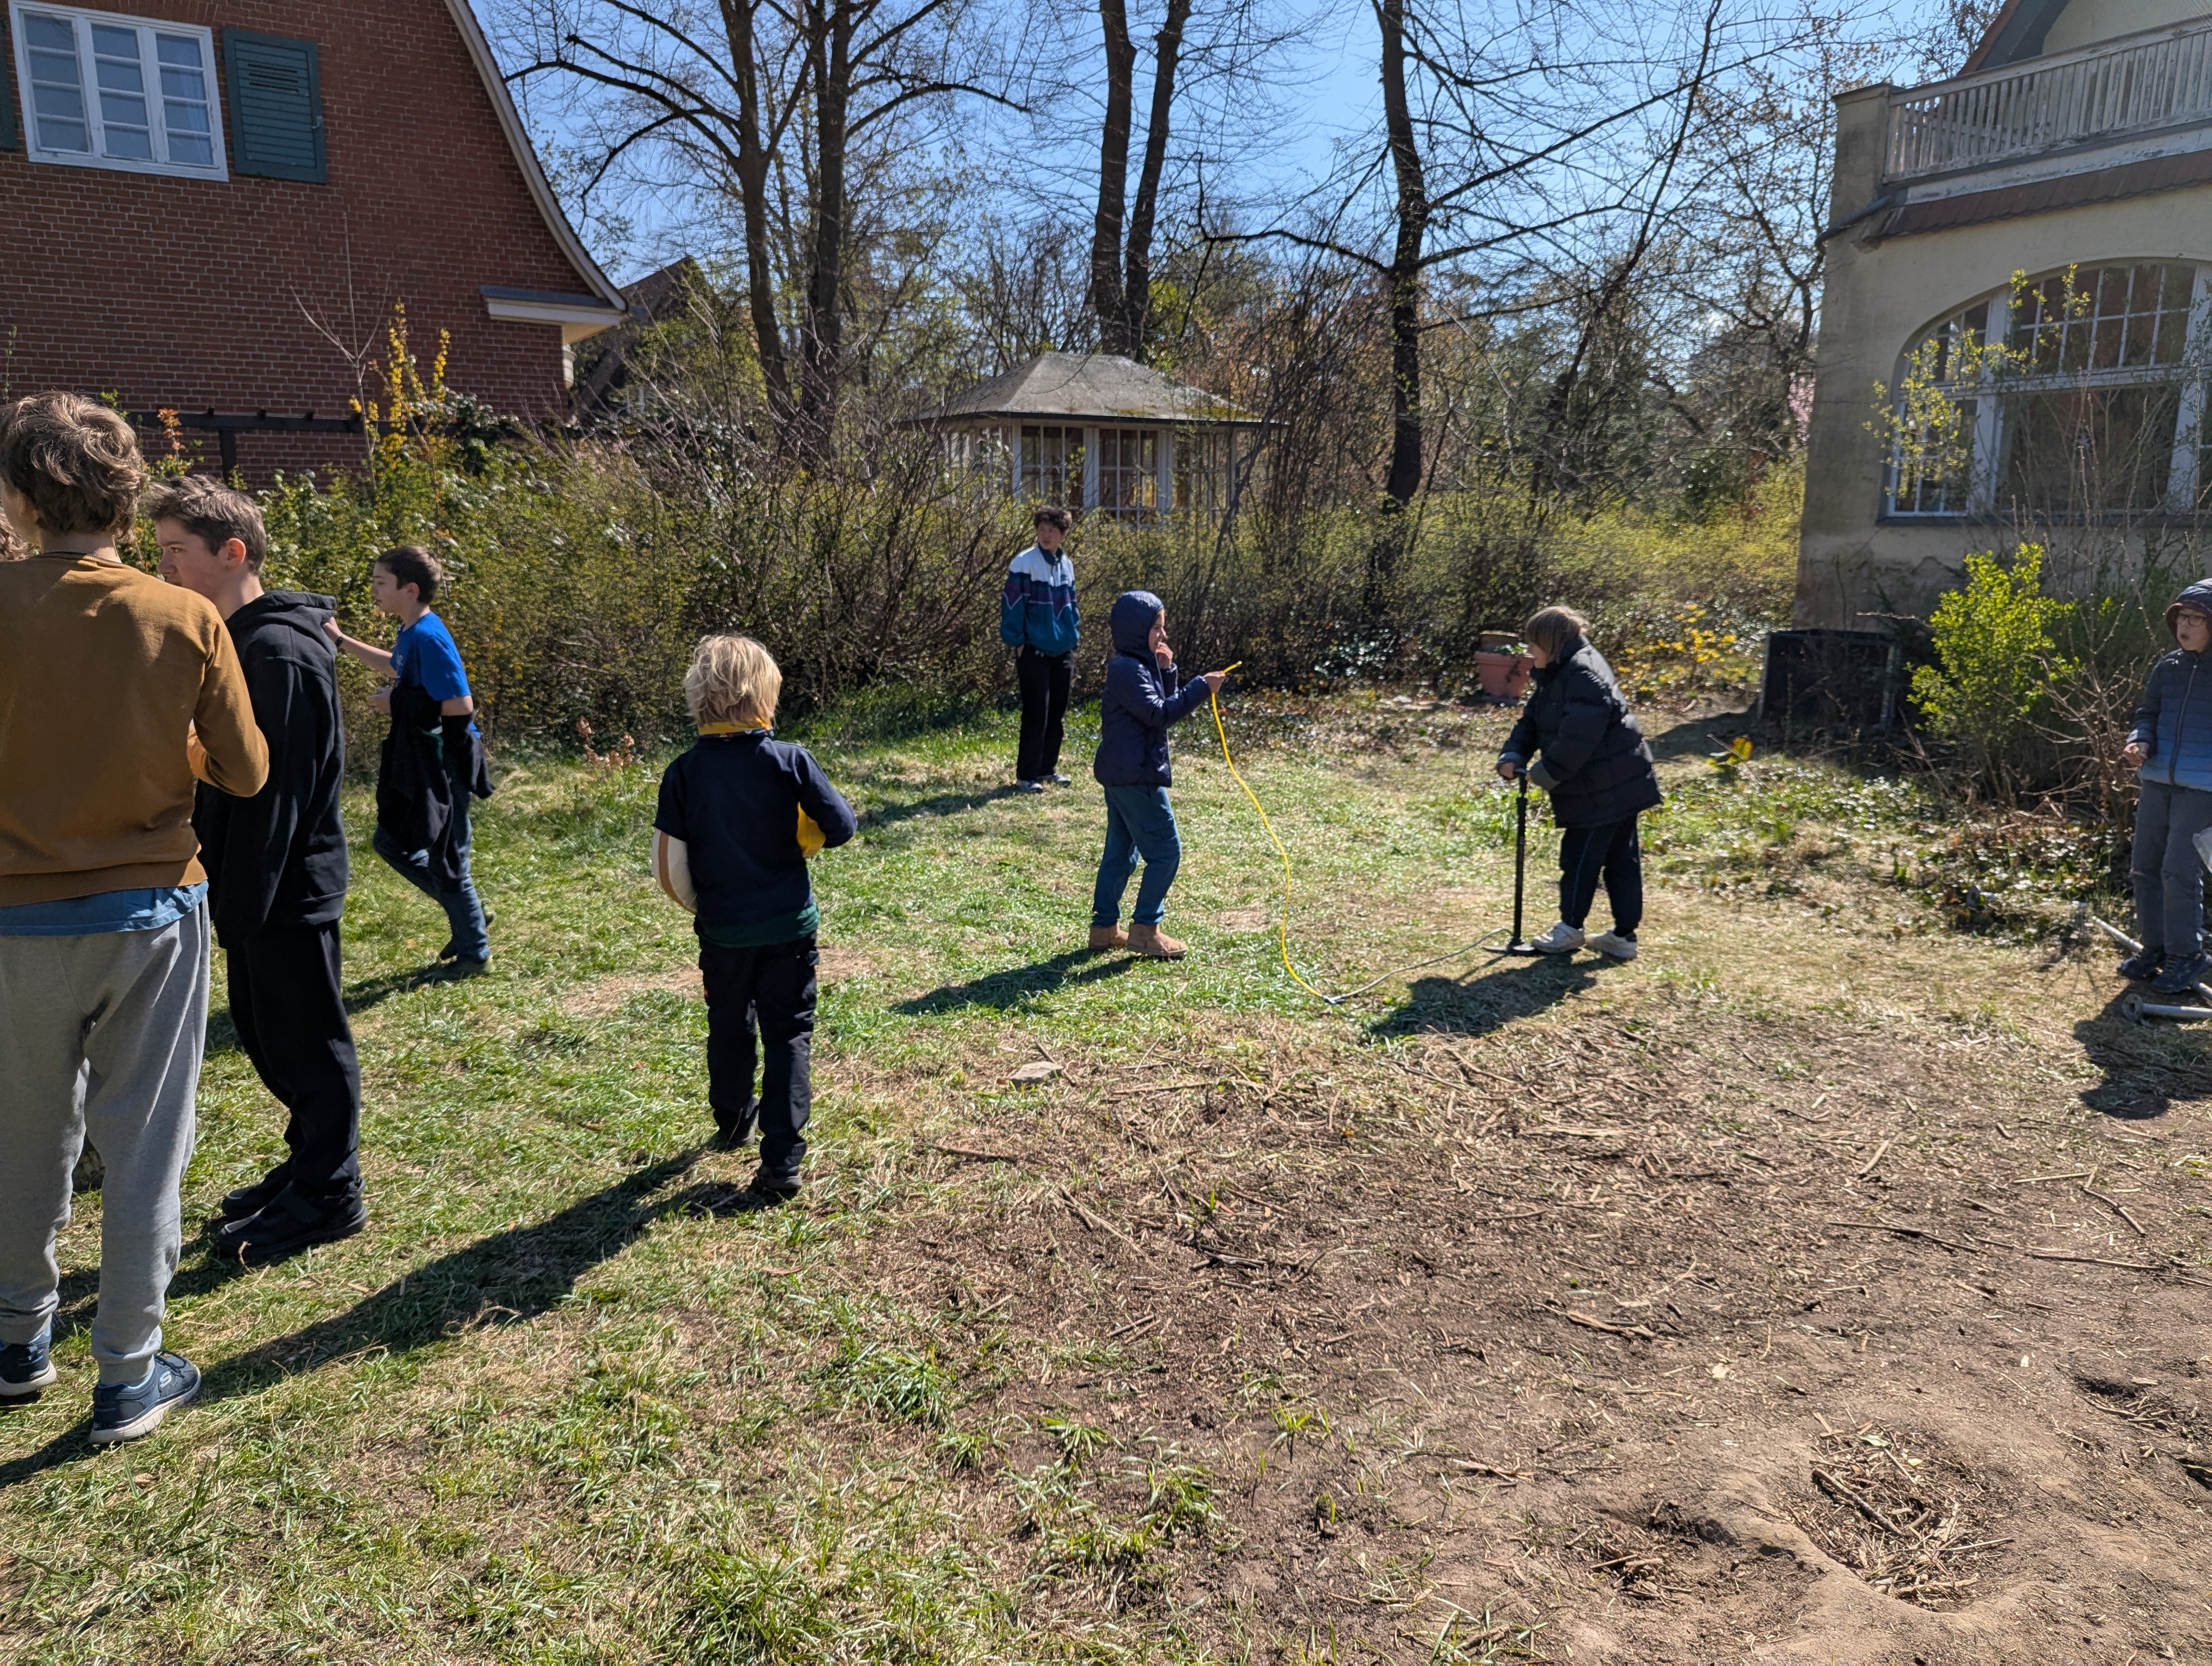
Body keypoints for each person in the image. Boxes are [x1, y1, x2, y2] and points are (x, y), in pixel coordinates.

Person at [0, 392, 268, 1444]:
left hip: (15, 921)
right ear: (125, 497)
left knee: (25, 1138)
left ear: (18, 498)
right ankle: (129, 1372)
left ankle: (19, 1341)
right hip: (151, 911)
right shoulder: (185, 617)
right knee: (146, 1145)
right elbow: (245, 772)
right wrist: (169, 751)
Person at [153, 478, 364, 1263]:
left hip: (282, 888)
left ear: (231, 552)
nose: (164, 567)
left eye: (177, 551)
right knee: (272, 1038)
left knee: (307, 1042)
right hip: (255, 886)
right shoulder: (245, 638)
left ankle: (331, 1193)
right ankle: (308, 1164)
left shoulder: (276, 650)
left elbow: (276, 795)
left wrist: (239, 901)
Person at [653, 635, 857, 1208]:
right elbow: (841, 826)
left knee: (728, 1021)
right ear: (765, 693)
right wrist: (803, 835)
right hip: (789, 928)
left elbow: (669, 862)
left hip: (721, 930)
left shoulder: (684, 773)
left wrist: (704, 903)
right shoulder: (790, 760)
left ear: (700, 696)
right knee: (789, 1034)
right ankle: (782, 1163)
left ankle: (733, 1117)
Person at [327, 546, 493, 970]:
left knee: (447, 853)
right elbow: (396, 667)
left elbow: (460, 705)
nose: (373, 590)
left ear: (410, 588)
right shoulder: (411, 632)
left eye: (381, 583)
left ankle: (474, 952)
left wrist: (397, 705)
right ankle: (467, 914)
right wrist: (342, 642)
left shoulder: (429, 636)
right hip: (425, 757)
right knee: (391, 842)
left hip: (447, 760)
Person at [1494, 605, 1662, 962]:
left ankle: (1571, 929)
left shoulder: (1582, 672)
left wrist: (1544, 773)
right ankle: (1622, 937)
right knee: (1619, 858)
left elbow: (1577, 739)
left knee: (1583, 858)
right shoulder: (1560, 670)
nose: (1528, 653)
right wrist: (1513, 755)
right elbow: (1534, 721)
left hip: (1607, 787)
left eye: (1532, 645)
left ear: (1549, 642)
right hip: (1610, 782)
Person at [1090, 590, 1226, 960]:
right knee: (1166, 853)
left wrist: (1168, 671)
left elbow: (1155, 705)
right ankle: (1146, 930)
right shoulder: (1127, 669)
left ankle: (1104, 929)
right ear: (1136, 631)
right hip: (1137, 777)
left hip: (1124, 773)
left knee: (1121, 853)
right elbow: (1159, 715)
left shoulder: (1135, 665)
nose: (1163, 636)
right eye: (1157, 629)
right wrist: (1200, 687)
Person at [2120, 581, 2212, 994]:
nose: (2185, 627)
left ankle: (2187, 956)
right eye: (2181, 618)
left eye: (2196, 619)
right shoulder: (2167, 668)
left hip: (2202, 792)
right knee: (2144, 868)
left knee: (2179, 871)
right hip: (2156, 781)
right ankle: (2154, 949)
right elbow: (2148, 713)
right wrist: (2139, 740)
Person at [1001, 504, 1079, 793]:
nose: (1045, 535)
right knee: (1037, 713)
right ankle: (1026, 775)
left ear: (1063, 534)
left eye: (1052, 531)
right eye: (1041, 530)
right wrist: (1017, 641)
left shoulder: (1066, 564)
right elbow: (1012, 605)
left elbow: (1072, 604)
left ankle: (1047, 769)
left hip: (1063, 650)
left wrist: (1074, 635)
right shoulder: (1024, 562)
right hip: (1033, 650)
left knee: (1057, 713)